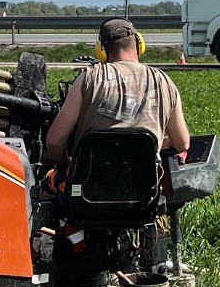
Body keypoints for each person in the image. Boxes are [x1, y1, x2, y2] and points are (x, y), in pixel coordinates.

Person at [45, 18, 190, 174]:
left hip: (87, 188)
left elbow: (54, 142)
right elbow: (182, 143)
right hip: (144, 191)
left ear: (101, 49)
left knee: (48, 184)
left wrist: (65, 165)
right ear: (139, 43)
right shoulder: (164, 81)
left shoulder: (89, 78)